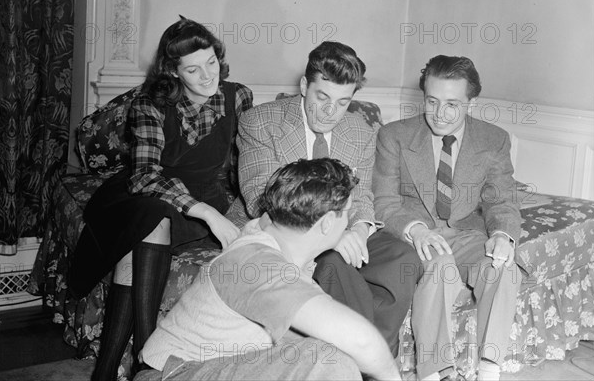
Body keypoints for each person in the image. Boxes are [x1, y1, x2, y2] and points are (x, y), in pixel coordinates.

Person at [69, 17, 253, 381]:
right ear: (173, 71)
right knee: (154, 216)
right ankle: (145, 356)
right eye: (192, 69)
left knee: (145, 236)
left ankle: (107, 371)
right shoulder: (149, 103)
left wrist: (241, 212)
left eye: (211, 62)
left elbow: (243, 164)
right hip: (137, 195)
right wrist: (209, 216)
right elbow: (145, 176)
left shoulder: (238, 96)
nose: (206, 76)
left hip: (197, 199)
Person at [136, 158, 402, 381]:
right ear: (326, 223)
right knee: (328, 360)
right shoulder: (256, 262)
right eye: (347, 212)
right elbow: (361, 340)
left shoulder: (277, 237)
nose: (350, 220)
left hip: (214, 367)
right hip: (172, 374)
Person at [233, 41, 418, 357]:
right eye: (322, 98)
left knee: (403, 258)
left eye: (343, 102)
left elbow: (362, 196)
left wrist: (359, 229)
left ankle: (374, 355)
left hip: (342, 228)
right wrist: (332, 236)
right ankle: (361, 361)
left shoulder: (360, 131)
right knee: (332, 263)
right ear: (305, 86)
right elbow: (263, 199)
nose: (331, 112)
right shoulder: (260, 122)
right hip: (284, 232)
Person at [373, 55, 522, 381]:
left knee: (502, 269)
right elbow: (384, 203)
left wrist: (502, 235)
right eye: (432, 101)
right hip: (419, 232)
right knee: (440, 267)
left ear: (471, 102)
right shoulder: (394, 136)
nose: (440, 114)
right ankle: (436, 372)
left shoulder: (493, 140)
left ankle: (489, 370)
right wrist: (416, 231)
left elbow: (502, 203)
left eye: (453, 104)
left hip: (467, 233)